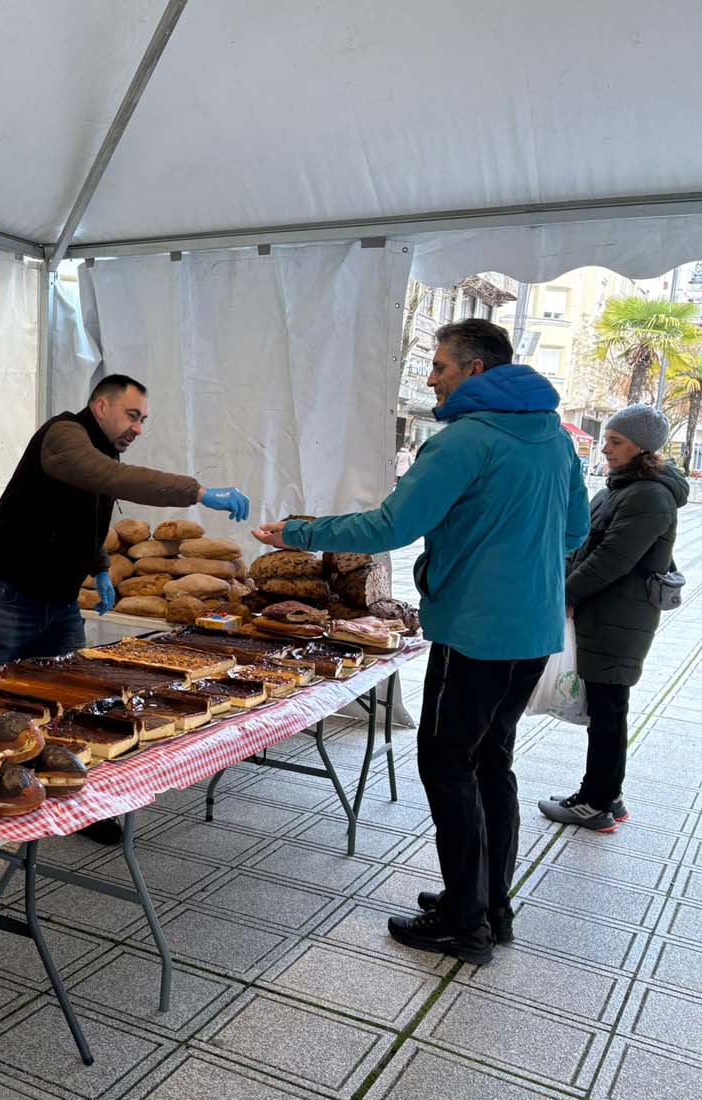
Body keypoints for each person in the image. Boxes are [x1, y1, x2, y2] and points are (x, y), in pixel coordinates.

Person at [252, 319, 590, 965]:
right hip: (533, 630)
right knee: (491, 762)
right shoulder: (553, 438)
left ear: (475, 370)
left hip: (474, 633)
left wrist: (298, 532)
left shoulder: (464, 439)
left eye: (439, 366)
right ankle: (488, 904)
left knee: (446, 765)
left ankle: (465, 924)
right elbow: (573, 532)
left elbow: (391, 525)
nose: (431, 378)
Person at [0, 374, 250, 672]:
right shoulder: (64, 435)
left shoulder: (105, 447)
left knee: (69, 683)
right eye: (132, 416)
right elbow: (113, 478)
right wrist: (198, 492)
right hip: (10, 593)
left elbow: (82, 514)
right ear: (101, 407)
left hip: (62, 600)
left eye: (142, 420)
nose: (138, 429)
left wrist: (99, 567)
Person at [539, 405, 688, 830]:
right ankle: (609, 796)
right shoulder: (623, 487)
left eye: (616, 441)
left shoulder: (649, 495)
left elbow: (612, 559)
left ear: (642, 447)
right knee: (607, 707)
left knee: (608, 710)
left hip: (619, 619)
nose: (605, 448)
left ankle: (596, 802)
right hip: (605, 614)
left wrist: (566, 595)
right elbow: (586, 543)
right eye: (607, 439)